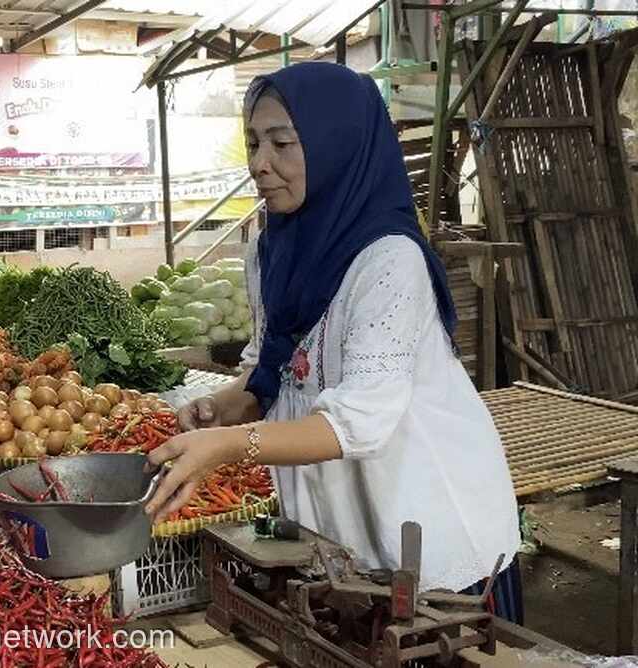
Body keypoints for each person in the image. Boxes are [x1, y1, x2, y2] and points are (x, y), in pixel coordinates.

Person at [144, 63, 522, 621]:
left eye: (281, 143)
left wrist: (226, 446)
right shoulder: (270, 251)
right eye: (252, 143)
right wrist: (228, 404)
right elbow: (275, 367)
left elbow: (358, 422)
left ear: (336, 145)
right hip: (341, 538)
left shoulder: (389, 261)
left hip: (429, 530)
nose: (259, 164)